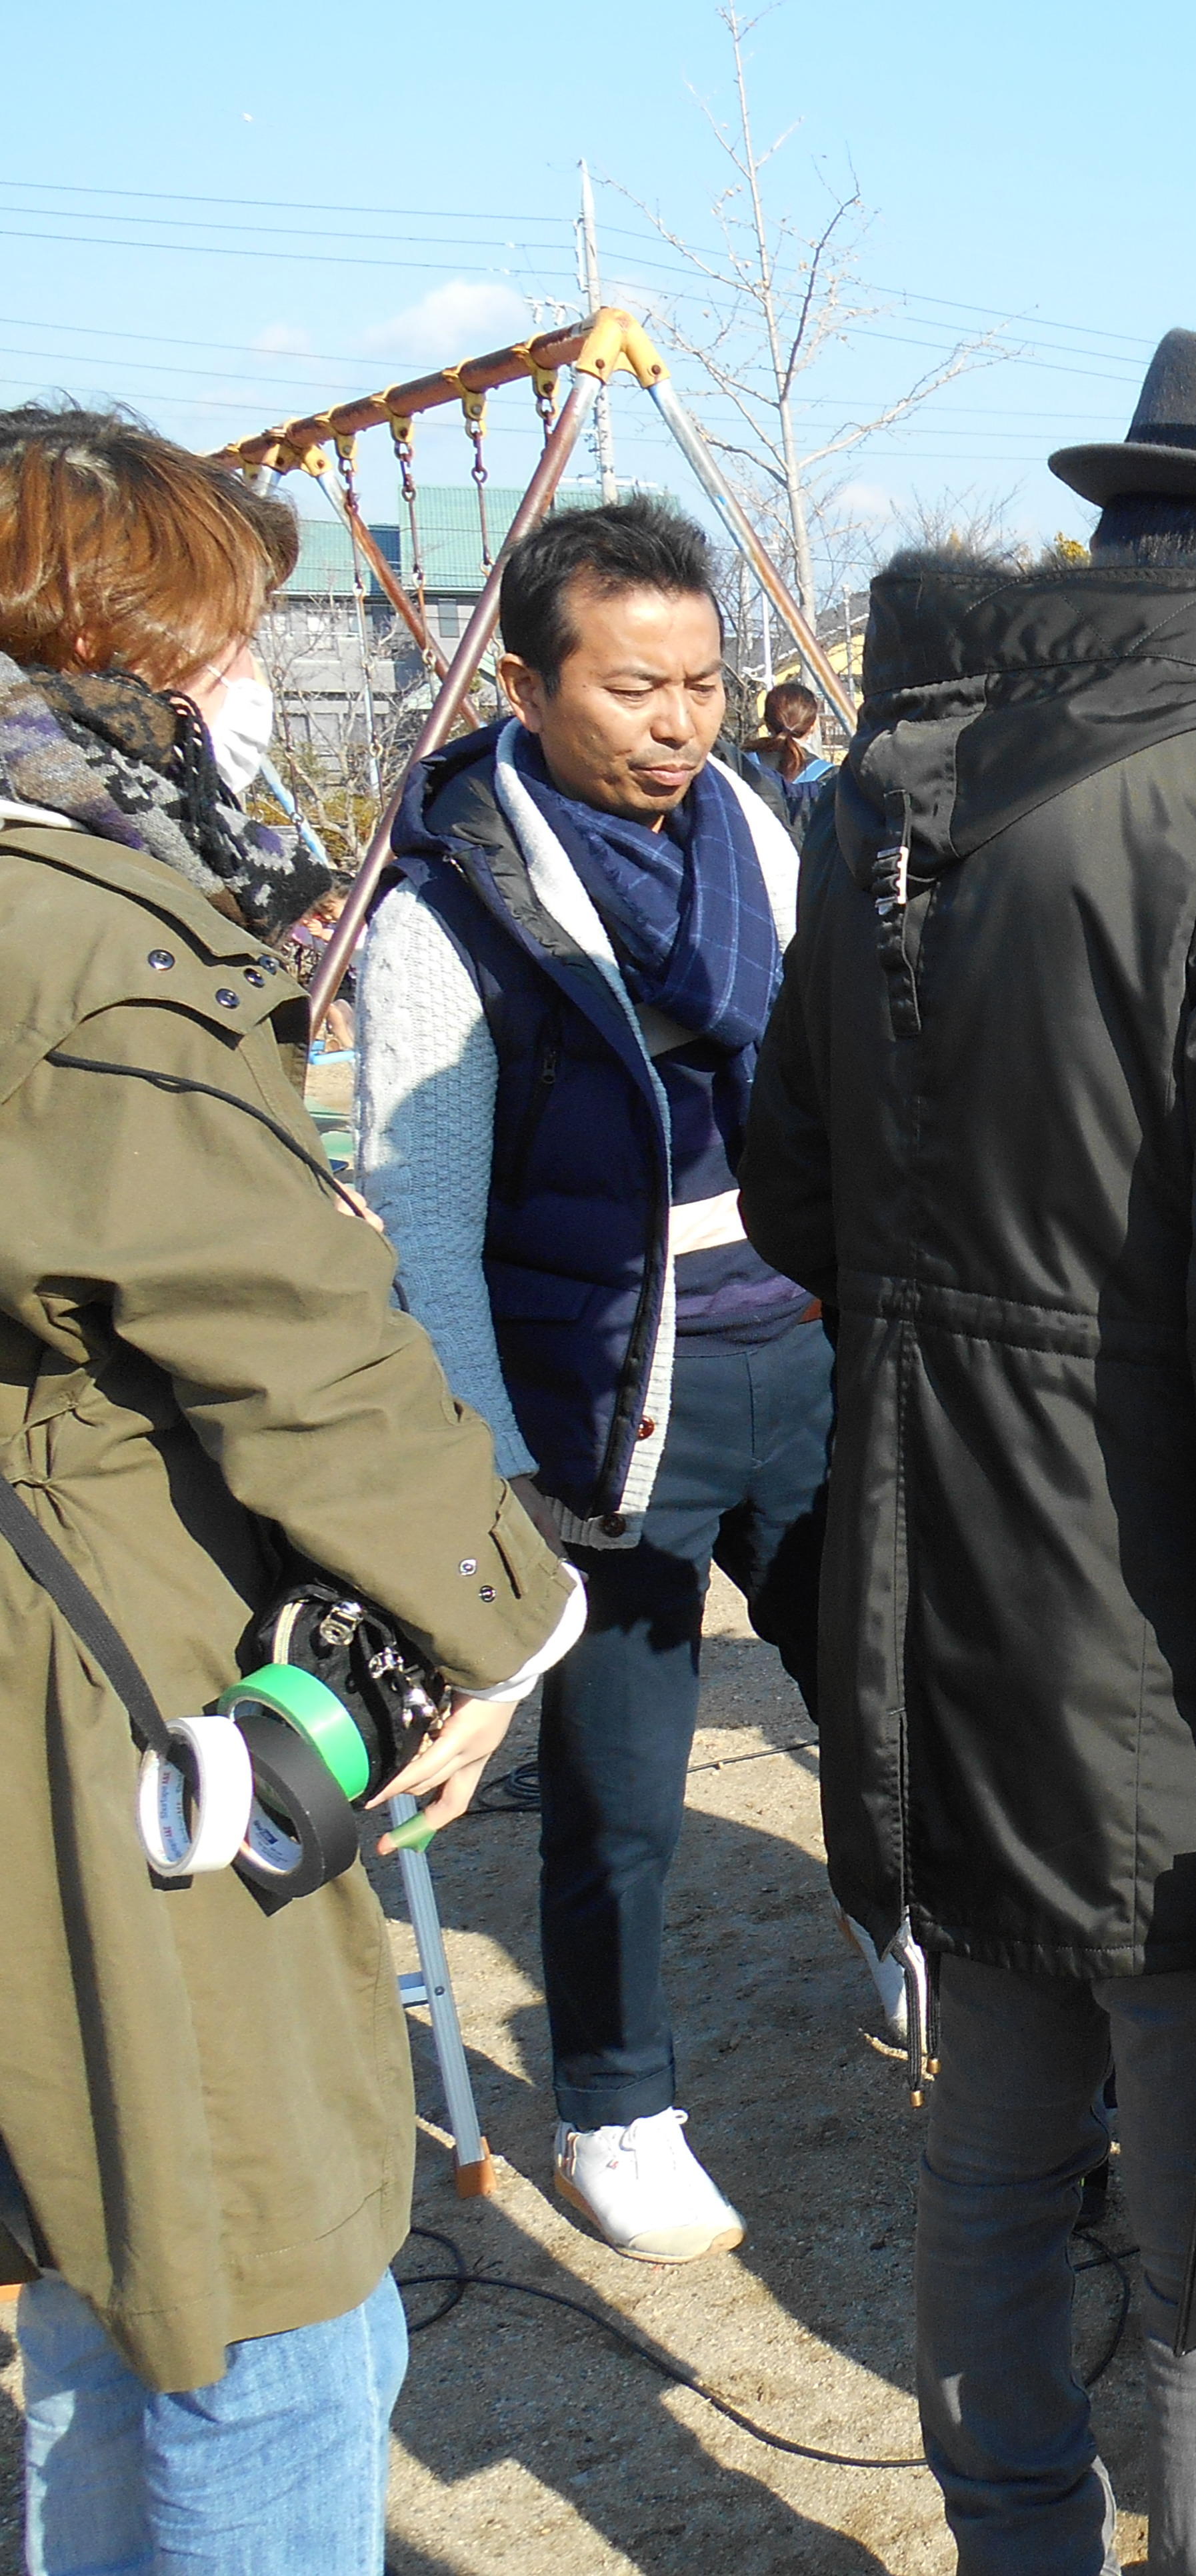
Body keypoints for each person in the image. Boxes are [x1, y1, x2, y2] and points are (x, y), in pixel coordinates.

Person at [740, 328, 1196, 2572]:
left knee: (994, 2139)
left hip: (917, 1595)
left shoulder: (887, 778)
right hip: (1169, 1636)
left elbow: (790, 1186)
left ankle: (1016, 2541)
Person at [0, 403, 580, 2573]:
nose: (259, 681)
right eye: (239, 634)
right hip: (102, 1655)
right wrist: (498, 1603)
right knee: (264, 2295)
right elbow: (284, 1325)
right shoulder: (71, 936)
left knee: (98, 2261)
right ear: (129, 640)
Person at [353, 495, 833, 2264]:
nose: (682, 721)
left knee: (879, 1691)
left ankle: (903, 1926)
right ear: (533, 681)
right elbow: (425, 1227)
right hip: (612, 1406)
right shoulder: (451, 918)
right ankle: (615, 2106)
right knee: (622, 1793)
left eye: (706, 681)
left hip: (804, 1348)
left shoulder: (755, 845)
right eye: (637, 686)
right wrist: (494, 1482)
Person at [731, 676, 836, 841]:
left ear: (766, 722)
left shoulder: (737, 768)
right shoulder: (830, 780)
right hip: (809, 866)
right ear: (813, 726)